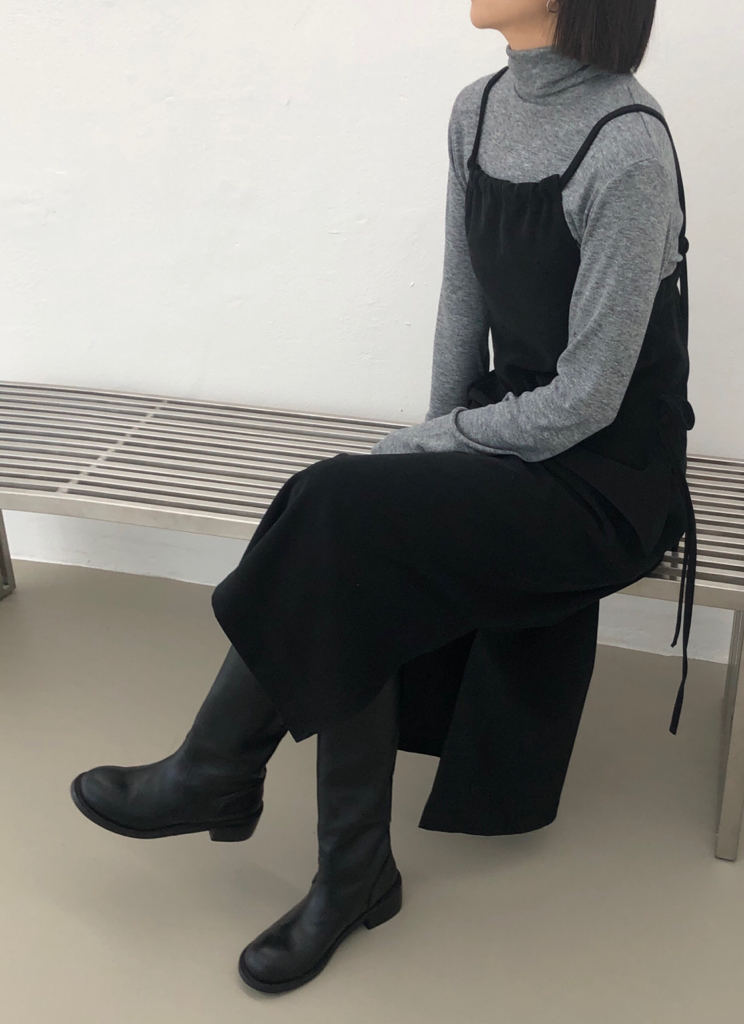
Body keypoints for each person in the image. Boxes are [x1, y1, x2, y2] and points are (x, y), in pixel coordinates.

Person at [69, 0, 697, 996]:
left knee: (344, 516)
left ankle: (227, 775)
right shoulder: (476, 109)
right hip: (515, 430)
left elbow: (589, 399)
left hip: (606, 478)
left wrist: (432, 447)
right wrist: (424, 463)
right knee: (356, 518)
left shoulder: (629, 146)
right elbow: (462, 303)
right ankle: (329, 852)